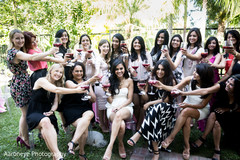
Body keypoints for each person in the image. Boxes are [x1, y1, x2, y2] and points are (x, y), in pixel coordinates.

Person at [7, 29, 58, 149]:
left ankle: (21, 135)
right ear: (12, 40)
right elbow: (34, 57)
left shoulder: (19, 51)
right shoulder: (14, 52)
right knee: (25, 114)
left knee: (25, 112)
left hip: (24, 83)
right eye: (17, 38)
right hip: (19, 85)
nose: (20, 40)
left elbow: (37, 57)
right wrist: (49, 52)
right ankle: (25, 139)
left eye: (22, 38)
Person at [26, 64, 88, 160]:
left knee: (45, 124)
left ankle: (55, 156)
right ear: (50, 71)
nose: (58, 74)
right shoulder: (41, 80)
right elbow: (56, 90)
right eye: (56, 71)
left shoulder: (56, 85)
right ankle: (58, 154)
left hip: (47, 113)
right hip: (35, 112)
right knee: (46, 121)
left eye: (61, 72)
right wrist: (76, 90)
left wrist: (52, 110)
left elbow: (55, 103)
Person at [179, 74, 240, 160]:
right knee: (215, 120)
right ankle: (215, 148)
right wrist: (184, 93)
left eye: (231, 84)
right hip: (218, 110)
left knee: (233, 139)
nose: (227, 84)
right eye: (228, 81)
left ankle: (206, 139)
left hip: (232, 114)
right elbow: (205, 91)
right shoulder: (221, 86)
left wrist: (227, 109)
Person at [160, 63, 214, 160]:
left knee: (186, 112)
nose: (194, 73)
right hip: (186, 105)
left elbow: (202, 105)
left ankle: (171, 137)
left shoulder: (210, 87)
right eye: (195, 71)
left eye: (197, 72)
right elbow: (174, 88)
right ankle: (187, 147)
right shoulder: (190, 79)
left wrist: (187, 105)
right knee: (187, 119)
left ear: (204, 75)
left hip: (201, 109)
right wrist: (161, 85)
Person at [127, 59, 177, 160]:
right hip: (154, 111)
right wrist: (142, 91)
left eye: (162, 70)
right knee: (155, 118)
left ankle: (140, 133)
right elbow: (146, 98)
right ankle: (156, 152)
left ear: (167, 70)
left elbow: (166, 100)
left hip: (168, 110)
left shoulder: (171, 81)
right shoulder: (152, 79)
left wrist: (150, 103)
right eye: (158, 69)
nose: (159, 71)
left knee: (156, 108)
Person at [59, 62, 96, 160]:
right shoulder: (68, 82)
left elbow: (93, 100)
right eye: (77, 71)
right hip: (71, 109)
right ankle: (81, 153)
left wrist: (88, 91)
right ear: (72, 72)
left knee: (90, 114)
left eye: (81, 71)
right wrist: (88, 82)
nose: (79, 73)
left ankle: (72, 142)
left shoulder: (87, 83)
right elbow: (75, 88)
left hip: (84, 108)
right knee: (84, 130)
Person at [102, 59, 134, 160]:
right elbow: (111, 101)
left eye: (121, 68)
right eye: (117, 69)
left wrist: (119, 107)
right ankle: (120, 144)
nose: (119, 71)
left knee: (119, 114)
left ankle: (109, 147)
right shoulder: (110, 81)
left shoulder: (129, 81)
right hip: (112, 106)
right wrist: (106, 92)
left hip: (126, 107)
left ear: (124, 69)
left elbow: (129, 99)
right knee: (122, 125)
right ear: (113, 70)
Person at [128, 36, 153, 130]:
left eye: (139, 43)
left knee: (143, 103)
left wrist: (149, 69)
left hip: (144, 82)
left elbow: (151, 68)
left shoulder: (147, 54)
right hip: (134, 83)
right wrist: (130, 69)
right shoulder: (131, 56)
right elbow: (129, 67)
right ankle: (139, 123)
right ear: (133, 44)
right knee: (136, 104)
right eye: (135, 42)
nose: (137, 44)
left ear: (142, 44)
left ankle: (139, 125)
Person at [94, 39, 111, 132]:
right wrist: (100, 79)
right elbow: (97, 71)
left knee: (106, 105)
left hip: (107, 84)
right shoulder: (98, 58)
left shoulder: (106, 58)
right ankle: (101, 123)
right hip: (100, 85)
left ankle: (106, 123)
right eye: (104, 46)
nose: (106, 48)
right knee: (101, 107)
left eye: (107, 46)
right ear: (99, 47)